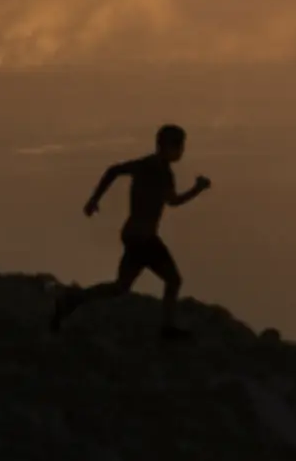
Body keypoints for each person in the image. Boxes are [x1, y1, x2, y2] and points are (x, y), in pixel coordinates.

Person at [52, 123, 211, 339]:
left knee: (121, 286)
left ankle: (70, 301)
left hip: (133, 235)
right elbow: (173, 201)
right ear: (168, 147)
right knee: (173, 280)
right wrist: (197, 189)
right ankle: (167, 329)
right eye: (179, 146)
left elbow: (113, 171)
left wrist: (94, 199)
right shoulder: (162, 171)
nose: (182, 151)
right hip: (144, 239)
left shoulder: (144, 164)